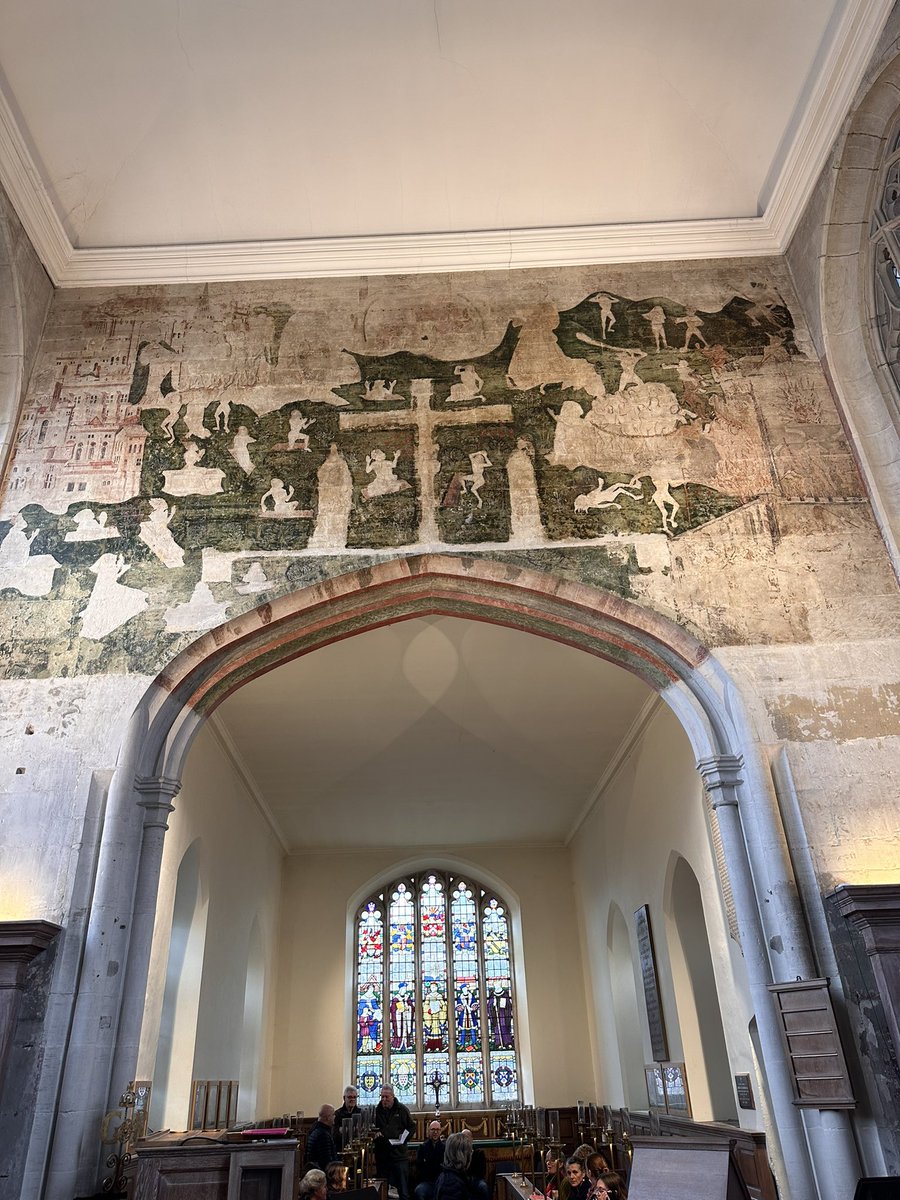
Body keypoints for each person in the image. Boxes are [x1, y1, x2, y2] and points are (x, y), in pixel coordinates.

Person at [374, 1083, 415, 1200]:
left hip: (399, 1155)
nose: (384, 1099)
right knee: (382, 1191)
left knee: (403, 1190)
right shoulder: (376, 1110)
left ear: (393, 1096)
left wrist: (403, 1138)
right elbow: (371, 1127)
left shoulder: (402, 1110)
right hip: (382, 1156)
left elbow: (411, 1127)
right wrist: (375, 1133)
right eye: (382, 1097)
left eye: (386, 1097)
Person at [433, 1131, 475, 1200]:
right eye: (470, 1151)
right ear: (462, 1155)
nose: (471, 1153)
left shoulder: (455, 1176)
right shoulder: (451, 1184)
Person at [415, 1119, 445, 1200]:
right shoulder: (422, 1147)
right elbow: (420, 1167)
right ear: (429, 1131)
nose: (435, 1132)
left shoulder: (445, 1148)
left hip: (441, 1181)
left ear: (440, 1131)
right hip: (426, 1182)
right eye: (433, 1129)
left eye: (437, 1129)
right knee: (419, 1191)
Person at [458, 1129, 488, 1200]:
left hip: (477, 1179)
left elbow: (482, 1172)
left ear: (472, 1139)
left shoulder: (479, 1153)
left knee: (483, 1186)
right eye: (463, 1137)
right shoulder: (459, 1154)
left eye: (467, 1137)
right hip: (463, 1180)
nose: (465, 1140)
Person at [307, 1104, 337, 1171]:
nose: (335, 1117)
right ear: (328, 1117)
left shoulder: (315, 1129)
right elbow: (327, 1163)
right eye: (333, 1114)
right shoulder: (323, 1135)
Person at [334, 1085, 359, 1151]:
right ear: (344, 1098)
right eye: (350, 1097)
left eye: (354, 1097)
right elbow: (335, 1133)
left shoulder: (360, 1113)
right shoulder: (337, 1114)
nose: (352, 1099)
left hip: (357, 1148)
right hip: (341, 1148)